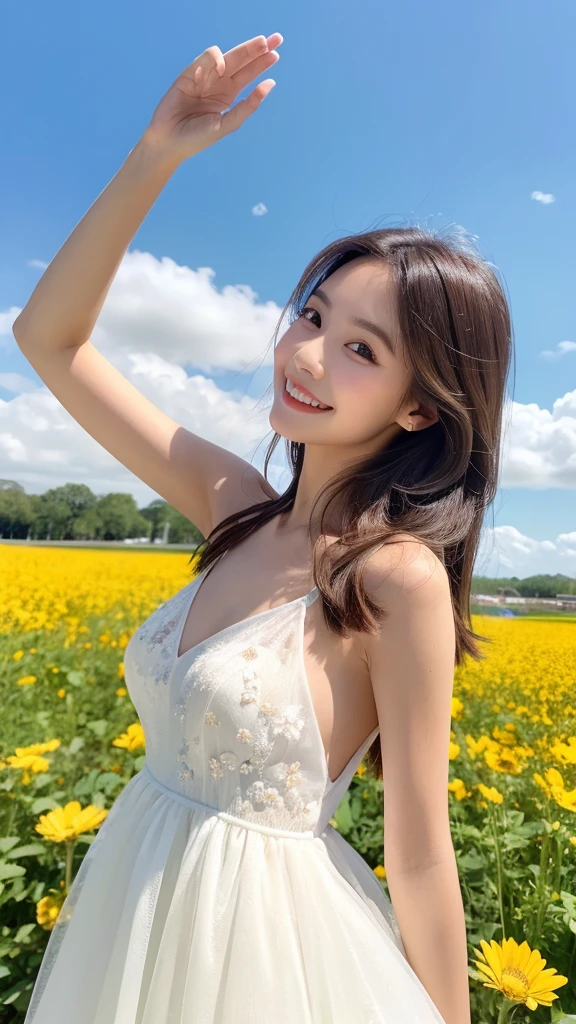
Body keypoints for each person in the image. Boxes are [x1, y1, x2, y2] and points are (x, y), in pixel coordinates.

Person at [13, 32, 512, 1024]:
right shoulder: (232, 504)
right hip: (132, 910)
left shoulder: (396, 579)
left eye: (361, 348)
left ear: (422, 407)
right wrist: (156, 153)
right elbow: (49, 340)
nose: (310, 354)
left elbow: (418, 849)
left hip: (269, 959)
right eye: (313, 315)